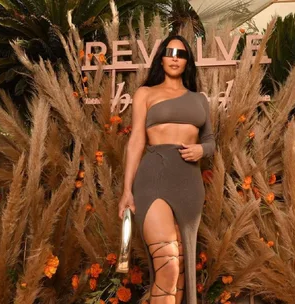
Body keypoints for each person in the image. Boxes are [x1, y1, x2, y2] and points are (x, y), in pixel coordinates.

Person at [118, 34, 215, 304]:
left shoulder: (199, 100)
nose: (175, 57)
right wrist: (127, 190)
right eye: (170, 52)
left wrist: (201, 150)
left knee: (182, 271)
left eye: (181, 54)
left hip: (188, 183)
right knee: (169, 268)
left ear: (187, 62)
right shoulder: (145, 93)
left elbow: (210, 141)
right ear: (161, 57)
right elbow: (136, 139)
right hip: (153, 179)